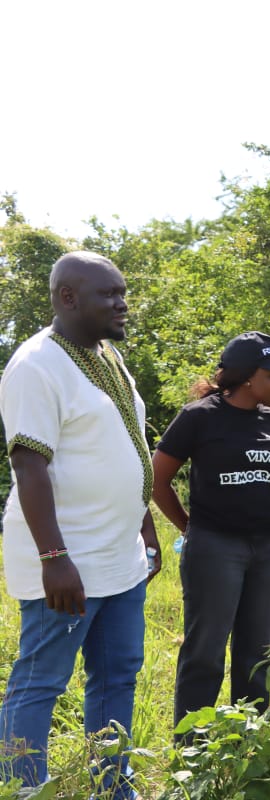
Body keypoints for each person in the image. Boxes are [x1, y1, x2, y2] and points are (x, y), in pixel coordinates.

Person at [0, 252, 159, 798]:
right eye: (109, 295)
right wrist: (54, 559)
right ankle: (24, 790)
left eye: (122, 292)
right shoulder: (35, 365)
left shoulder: (107, 356)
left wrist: (145, 525)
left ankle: (113, 787)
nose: (122, 304)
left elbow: (126, 446)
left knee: (118, 676)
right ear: (67, 297)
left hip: (119, 557)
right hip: (67, 564)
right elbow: (28, 464)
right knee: (41, 681)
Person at [152, 332, 270, 730]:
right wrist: (191, 528)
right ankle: (193, 750)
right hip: (215, 548)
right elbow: (157, 480)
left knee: (257, 653)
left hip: (269, 550)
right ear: (248, 378)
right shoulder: (199, 416)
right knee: (206, 651)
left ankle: (247, 745)